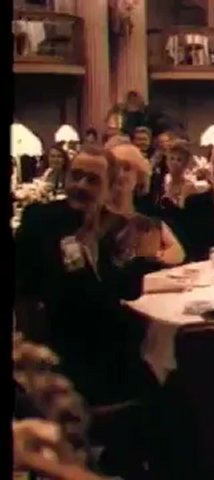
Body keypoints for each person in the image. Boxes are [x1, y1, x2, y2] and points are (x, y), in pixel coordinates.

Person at [14, 145, 160, 406]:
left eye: (92, 180)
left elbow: (128, 290)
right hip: (60, 348)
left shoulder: (118, 227)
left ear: (110, 188)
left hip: (109, 348)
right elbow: (26, 288)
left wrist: (141, 260)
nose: (80, 185)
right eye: (76, 176)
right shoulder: (41, 220)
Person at [109, 143, 185, 266]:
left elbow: (179, 255)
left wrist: (158, 256)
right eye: (114, 168)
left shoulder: (149, 217)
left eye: (127, 169)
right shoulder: (97, 216)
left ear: (138, 176)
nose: (119, 174)